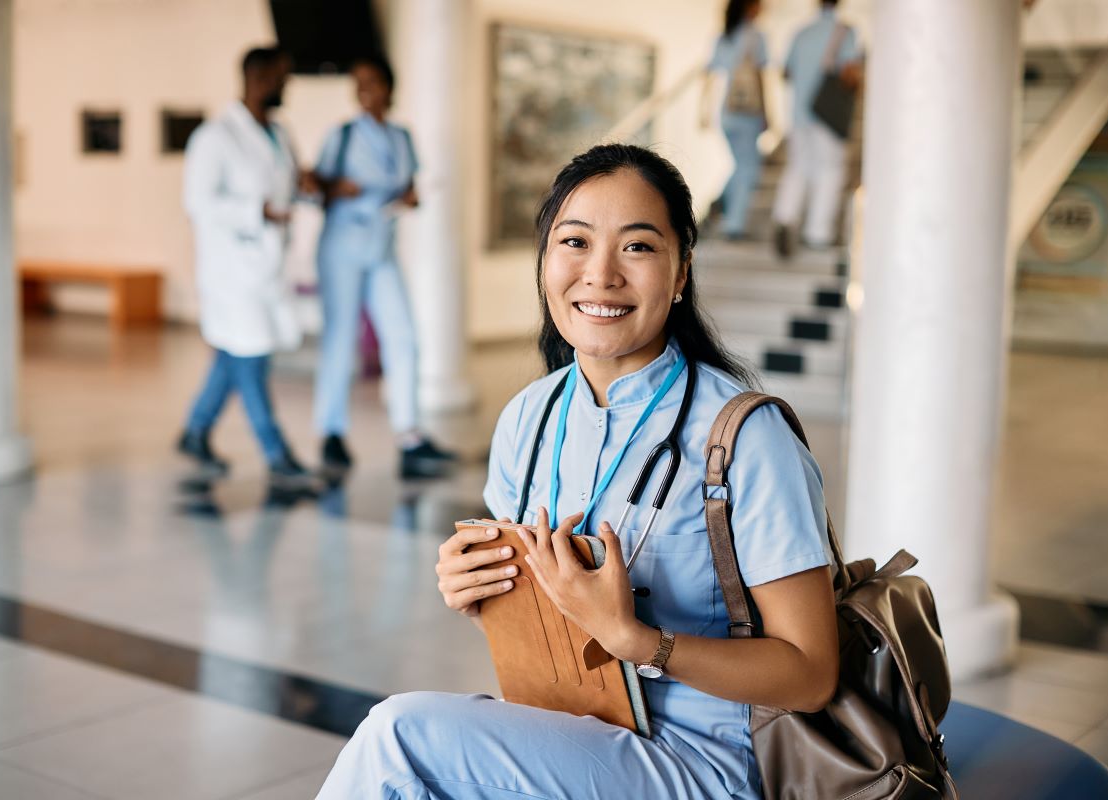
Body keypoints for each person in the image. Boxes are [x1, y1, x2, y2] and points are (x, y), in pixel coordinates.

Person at [315, 144, 840, 799]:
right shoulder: (528, 420)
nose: (601, 274)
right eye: (575, 242)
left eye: (638, 247)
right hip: (571, 726)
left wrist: (639, 640)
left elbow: (811, 674)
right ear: (544, 264)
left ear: (681, 274)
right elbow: (543, 618)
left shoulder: (744, 438)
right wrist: (478, 593)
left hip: (700, 764)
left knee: (398, 740)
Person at [312, 55, 457, 480]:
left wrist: (413, 196)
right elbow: (314, 186)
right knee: (341, 338)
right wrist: (333, 187)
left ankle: (409, 437)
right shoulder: (340, 136)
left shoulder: (402, 137)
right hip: (342, 245)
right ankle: (332, 433)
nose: (364, 91)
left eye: (372, 82)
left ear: (389, 88)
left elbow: (413, 184)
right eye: (358, 83)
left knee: (404, 336)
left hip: (381, 247)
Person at [177, 46, 310, 482]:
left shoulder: (278, 132)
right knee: (249, 355)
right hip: (230, 269)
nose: (286, 86)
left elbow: (287, 185)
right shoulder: (214, 137)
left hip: (266, 266)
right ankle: (277, 455)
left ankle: (195, 431)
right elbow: (198, 203)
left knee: (235, 353)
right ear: (259, 78)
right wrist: (260, 211)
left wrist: (309, 186)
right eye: (282, 78)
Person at [771, 0, 861, 257]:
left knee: (799, 167)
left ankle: (785, 217)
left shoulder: (801, 32)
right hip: (828, 116)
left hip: (800, 114)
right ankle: (817, 233)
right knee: (830, 170)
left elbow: (786, 73)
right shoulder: (846, 32)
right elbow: (848, 72)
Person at [700, 0, 768, 241]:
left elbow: (708, 75)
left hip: (726, 113)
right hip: (748, 113)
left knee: (740, 165)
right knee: (749, 167)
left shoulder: (723, 37)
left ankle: (720, 205)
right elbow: (760, 78)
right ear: (750, 7)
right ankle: (733, 225)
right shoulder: (756, 36)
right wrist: (767, 113)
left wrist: (703, 112)